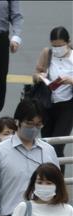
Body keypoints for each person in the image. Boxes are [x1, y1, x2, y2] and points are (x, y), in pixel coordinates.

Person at [34, 27, 73, 166]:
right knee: (46, 144)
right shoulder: (47, 53)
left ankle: (58, 181)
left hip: (67, 106)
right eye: (54, 45)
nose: (57, 48)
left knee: (58, 146)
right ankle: (47, 178)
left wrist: (70, 80)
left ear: (68, 42)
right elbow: (36, 74)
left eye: (61, 45)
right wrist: (40, 76)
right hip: (47, 104)